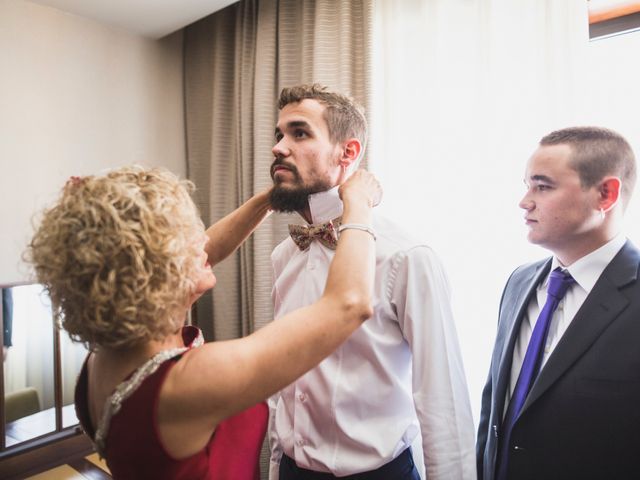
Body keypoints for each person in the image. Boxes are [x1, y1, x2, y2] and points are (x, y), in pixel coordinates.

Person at [27, 165, 381, 480]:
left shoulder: (101, 358)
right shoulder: (188, 383)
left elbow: (207, 250)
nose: (203, 241)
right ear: (155, 275)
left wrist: (271, 199)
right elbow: (347, 304)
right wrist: (359, 202)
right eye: (186, 239)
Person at [268, 84, 475, 479]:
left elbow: (442, 398)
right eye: (279, 134)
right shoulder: (284, 256)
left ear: (348, 153)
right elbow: (286, 381)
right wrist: (277, 469)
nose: (279, 146)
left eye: (299, 133)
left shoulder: (406, 257)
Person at [477, 126, 639, 480]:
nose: (525, 201)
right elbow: (495, 410)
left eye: (543, 186)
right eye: (527, 186)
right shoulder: (519, 283)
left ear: (606, 194)